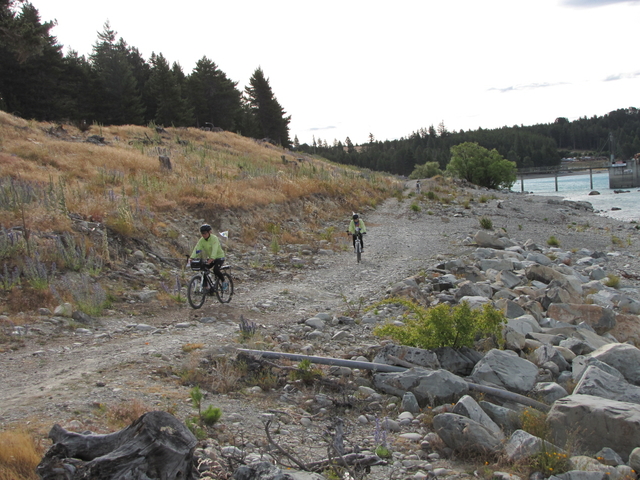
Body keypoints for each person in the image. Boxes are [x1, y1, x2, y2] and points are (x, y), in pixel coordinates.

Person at [190, 224, 227, 291]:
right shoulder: (202, 240)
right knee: (203, 269)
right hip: (211, 258)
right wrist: (192, 257)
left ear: (209, 232)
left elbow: (214, 249)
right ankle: (206, 287)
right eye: (202, 233)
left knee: (216, 270)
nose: (203, 235)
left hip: (219, 257)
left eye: (205, 233)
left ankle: (224, 281)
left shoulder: (214, 238)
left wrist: (212, 258)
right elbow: (197, 249)